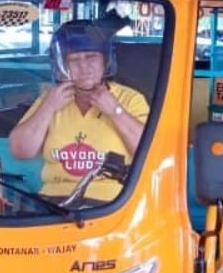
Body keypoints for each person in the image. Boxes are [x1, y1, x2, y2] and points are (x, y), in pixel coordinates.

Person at [8, 20, 149, 204]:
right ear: (62, 65)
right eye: (74, 60)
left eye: (91, 57)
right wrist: (48, 108)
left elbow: (149, 152)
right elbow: (21, 151)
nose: (84, 67)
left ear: (105, 61)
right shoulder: (51, 98)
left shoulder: (129, 99)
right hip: (55, 202)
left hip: (113, 203)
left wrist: (115, 111)